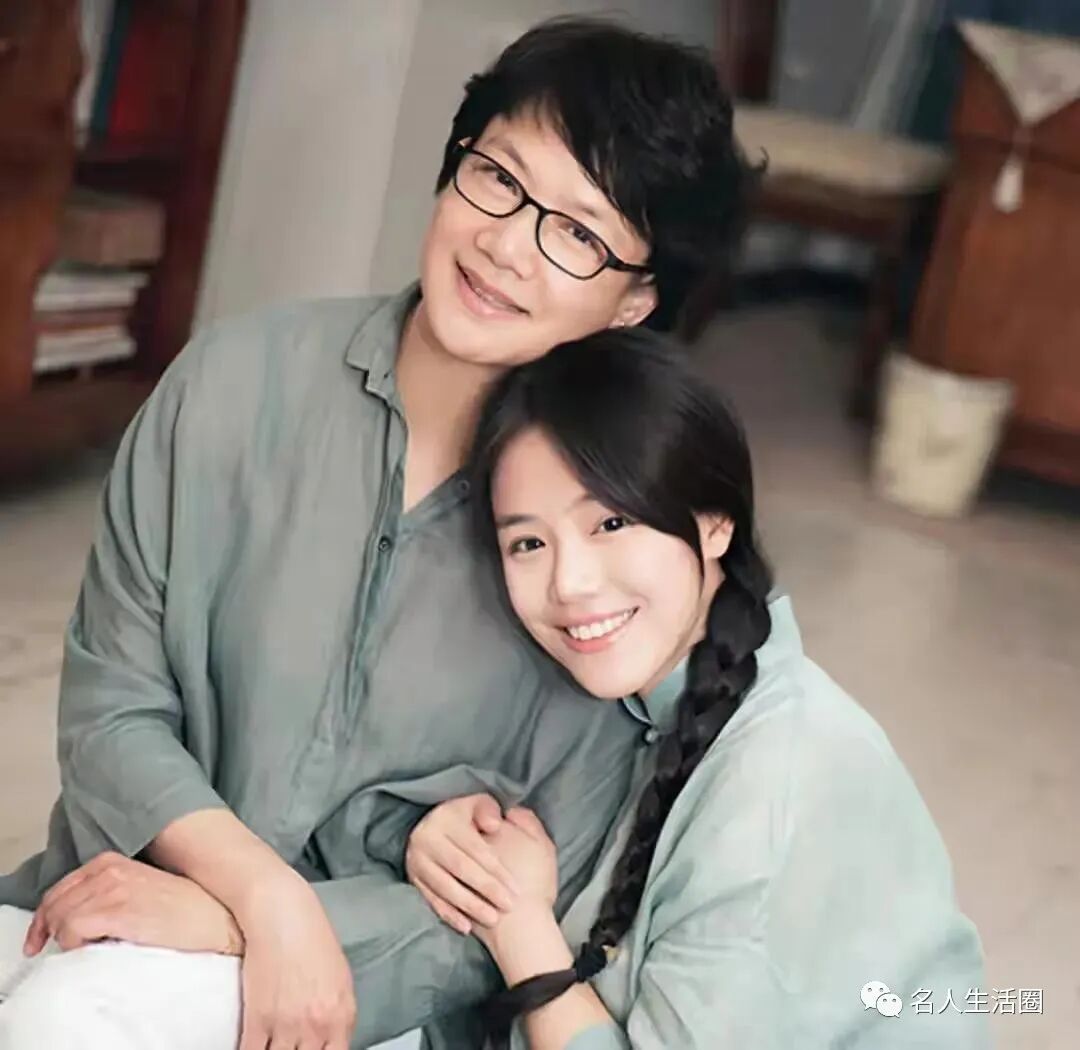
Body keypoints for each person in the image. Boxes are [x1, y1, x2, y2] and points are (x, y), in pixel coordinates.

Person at [0, 17, 752, 1050]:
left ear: (636, 300)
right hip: (102, 908)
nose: (506, 244)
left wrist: (240, 928)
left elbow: (531, 904)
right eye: (498, 177)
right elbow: (111, 705)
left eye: (578, 233)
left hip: (375, 1012)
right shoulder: (233, 381)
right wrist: (260, 896)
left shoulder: (605, 558)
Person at [405, 331, 990, 1049]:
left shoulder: (781, 780)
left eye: (610, 522)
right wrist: (465, 858)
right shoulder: (628, 696)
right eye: (528, 542)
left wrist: (516, 922)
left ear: (715, 523)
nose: (569, 583)